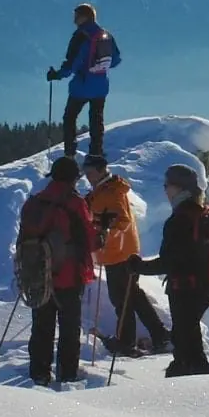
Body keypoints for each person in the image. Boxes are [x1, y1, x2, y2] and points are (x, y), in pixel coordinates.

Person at [128, 163, 209, 377]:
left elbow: (169, 262)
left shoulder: (179, 220)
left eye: (167, 185)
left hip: (184, 289)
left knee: (185, 345)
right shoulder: (203, 214)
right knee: (189, 341)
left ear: (179, 188)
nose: (165, 190)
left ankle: (187, 385)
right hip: (206, 287)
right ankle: (198, 378)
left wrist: (138, 267)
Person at [18, 156, 97, 385]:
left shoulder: (34, 203)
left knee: (42, 326)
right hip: (68, 276)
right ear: (73, 179)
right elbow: (90, 240)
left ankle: (39, 373)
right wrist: (101, 235)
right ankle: (67, 374)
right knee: (69, 327)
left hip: (38, 276)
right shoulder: (74, 202)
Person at [85, 153, 168, 357]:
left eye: (90, 171)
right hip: (121, 251)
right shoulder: (103, 190)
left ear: (100, 170)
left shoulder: (111, 192)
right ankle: (158, 335)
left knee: (122, 298)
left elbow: (122, 221)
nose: (87, 176)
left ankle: (127, 341)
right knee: (132, 296)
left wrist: (106, 231)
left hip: (119, 253)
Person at [47, 4, 120, 160]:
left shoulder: (80, 36)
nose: (74, 20)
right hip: (101, 86)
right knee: (96, 119)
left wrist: (57, 75)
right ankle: (96, 153)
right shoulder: (105, 35)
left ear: (84, 17)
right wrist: (99, 67)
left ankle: (70, 154)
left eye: (77, 16)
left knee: (70, 117)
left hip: (81, 86)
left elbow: (71, 64)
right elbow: (116, 60)